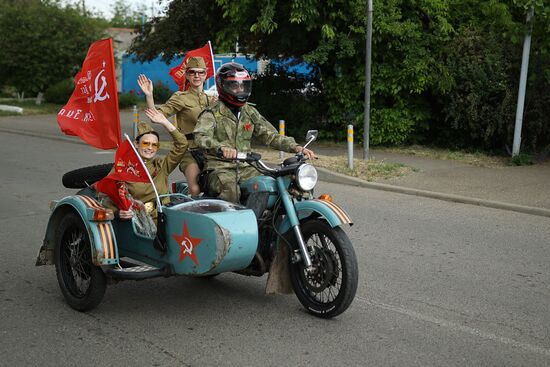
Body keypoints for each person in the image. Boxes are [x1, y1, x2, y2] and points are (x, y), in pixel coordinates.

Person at [194, 62, 316, 203]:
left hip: (247, 167)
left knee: (273, 185)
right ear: (223, 86)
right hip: (220, 169)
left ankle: (267, 221)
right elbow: (200, 136)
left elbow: (270, 135)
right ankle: (232, 225)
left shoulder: (249, 112)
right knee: (231, 190)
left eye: (243, 85)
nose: (240, 89)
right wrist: (220, 148)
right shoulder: (212, 113)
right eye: (234, 85)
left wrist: (295, 147)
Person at [137, 57, 215, 196]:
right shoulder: (181, 97)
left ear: (206, 74)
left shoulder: (212, 99)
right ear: (187, 75)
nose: (197, 76)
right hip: (189, 151)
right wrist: (149, 96)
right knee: (196, 189)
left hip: (210, 150)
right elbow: (157, 115)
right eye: (192, 72)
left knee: (219, 185)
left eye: (200, 72)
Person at [114, 108, 188, 220]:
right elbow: (106, 195)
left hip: (164, 221)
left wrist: (165, 122)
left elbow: (182, 144)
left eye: (154, 145)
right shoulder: (123, 167)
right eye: (146, 143)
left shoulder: (161, 166)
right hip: (137, 224)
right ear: (136, 144)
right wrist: (118, 212)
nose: (150, 148)